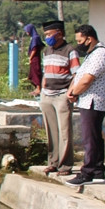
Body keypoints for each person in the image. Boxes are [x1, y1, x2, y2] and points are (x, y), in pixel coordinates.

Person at [65, 24, 105, 186]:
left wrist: (74, 93)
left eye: (80, 40)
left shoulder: (100, 54)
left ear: (89, 38)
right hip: (87, 100)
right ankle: (98, 171)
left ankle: (87, 172)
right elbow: (79, 76)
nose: (79, 44)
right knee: (94, 137)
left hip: (94, 101)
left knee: (90, 139)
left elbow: (87, 79)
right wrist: (72, 91)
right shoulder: (91, 54)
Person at [39, 21, 79, 175]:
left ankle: (65, 165)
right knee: (51, 131)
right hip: (47, 95)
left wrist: (70, 92)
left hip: (62, 95)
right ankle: (53, 162)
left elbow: (76, 74)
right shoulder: (47, 51)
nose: (48, 38)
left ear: (60, 34)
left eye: (50, 34)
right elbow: (45, 72)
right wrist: (43, 90)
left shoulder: (70, 51)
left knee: (64, 131)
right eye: (46, 35)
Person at [23, 23, 44, 95]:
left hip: (35, 58)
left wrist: (30, 57)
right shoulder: (34, 37)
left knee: (36, 73)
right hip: (35, 57)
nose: (27, 33)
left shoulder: (35, 38)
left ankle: (39, 88)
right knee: (32, 73)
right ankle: (36, 88)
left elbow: (34, 49)